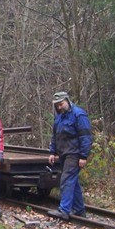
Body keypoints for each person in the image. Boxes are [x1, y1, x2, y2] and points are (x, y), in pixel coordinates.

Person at [47, 91, 92, 220]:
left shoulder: (79, 115)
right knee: (73, 182)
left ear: (67, 101)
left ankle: (64, 210)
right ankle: (79, 209)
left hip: (74, 154)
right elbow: (55, 136)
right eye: (57, 105)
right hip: (63, 154)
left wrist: (83, 156)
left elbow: (85, 137)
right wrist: (52, 152)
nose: (59, 107)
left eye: (61, 104)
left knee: (66, 180)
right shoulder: (59, 117)